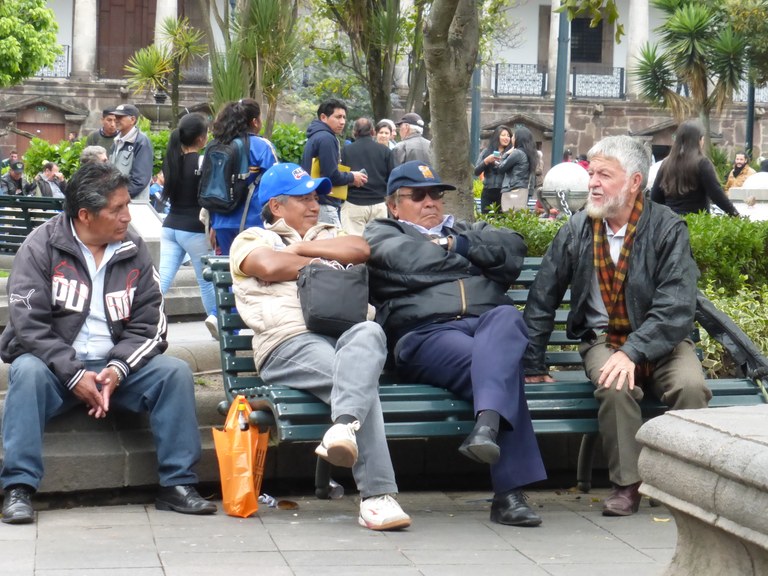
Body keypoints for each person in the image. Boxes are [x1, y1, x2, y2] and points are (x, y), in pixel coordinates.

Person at [0, 162, 217, 525]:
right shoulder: (40, 246)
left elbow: (151, 323)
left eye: (127, 205)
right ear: (85, 215)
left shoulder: (132, 246)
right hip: (54, 369)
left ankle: (178, 484)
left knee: (174, 373)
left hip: (115, 369)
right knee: (27, 371)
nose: (126, 216)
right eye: (116, 209)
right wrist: (73, 375)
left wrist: (118, 369)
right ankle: (18, 487)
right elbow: (28, 325)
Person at [523, 135, 711, 517]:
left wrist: (634, 351)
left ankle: (684, 484)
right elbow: (543, 295)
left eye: (604, 175)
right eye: (592, 173)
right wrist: (532, 363)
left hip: (663, 340)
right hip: (603, 339)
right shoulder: (576, 229)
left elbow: (676, 306)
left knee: (692, 387)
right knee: (614, 385)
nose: (592, 183)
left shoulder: (668, 228)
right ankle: (627, 485)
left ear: (634, 182)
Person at [229, 162, 410, 531]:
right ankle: (377, 496)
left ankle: (342, 427)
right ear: (276, 206)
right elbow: (268, 265)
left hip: (345, 335)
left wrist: (302, 248)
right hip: (288, 343)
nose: (315, 205)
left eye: (315, 198)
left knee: (370, 333)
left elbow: (359, 248)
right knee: (357, 382)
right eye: (303, 199)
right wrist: (323, 260)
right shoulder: (252, 238)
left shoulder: (332, 232)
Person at [364, 161, 546, 527]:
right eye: (418, 195)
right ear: (394, 205)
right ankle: (509, 494)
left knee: (507, 317)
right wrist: (474, 261)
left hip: (489, 325)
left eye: (436, 194)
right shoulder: (382, 231)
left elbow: (512, 248)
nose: (430, 201)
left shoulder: (463, 230)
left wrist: (456, 244)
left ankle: (486, 427)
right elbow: (404, 261)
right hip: (427, 333)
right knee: (502, 367)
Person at [158, 113, 218, 339]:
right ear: (201, 138)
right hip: (194, 229)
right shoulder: (202, 163)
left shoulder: (171, 162)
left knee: (162, 280)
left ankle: (140, 317)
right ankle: (217, 324)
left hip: (170, 226)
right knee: (206, 282)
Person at [207, 98, 278, 255]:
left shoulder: (218, 145)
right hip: (253, 223)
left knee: (230, 267)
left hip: (221, 222)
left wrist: (213, 223)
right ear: (255, 122)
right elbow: (275, 183)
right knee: (254, 268)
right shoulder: (262, 146)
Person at [301, 98, 367, 228]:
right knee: (336, 240)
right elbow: (331, 175)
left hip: (314, 200)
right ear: (323, 117)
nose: (342, 122)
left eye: (344, 117)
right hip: (325, 203)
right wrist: (352, 177)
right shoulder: (327, 138)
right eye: (338, 117)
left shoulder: (316, 135)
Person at [650, 120, 739, 217]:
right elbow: (716, 194)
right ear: (699, 140)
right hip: (696, 221)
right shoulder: (702, 163)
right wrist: (734, 214)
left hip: (671, 220)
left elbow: (655, 197)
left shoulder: (666, 163)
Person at [340, 117, 394, 235]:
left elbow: (342, 176)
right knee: (379, 243)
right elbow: (392, 177)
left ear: (354, 132)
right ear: (373, 132)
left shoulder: (346, 150)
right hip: (379, 203)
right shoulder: (385, 151)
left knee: (353, 243)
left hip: (354, 203)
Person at [109, 104, 154, 202]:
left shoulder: (141, 142)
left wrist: (118, 197)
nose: (116, 120)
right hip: (116, 202)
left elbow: (140, 180)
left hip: (134, 203)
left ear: (132, 120)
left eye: (120, 117)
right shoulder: (116, 142)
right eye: (116, 116)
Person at [498, 126, 538, 212]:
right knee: (518, 215)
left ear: (518, 139)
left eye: (513, 136)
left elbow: (501, 167)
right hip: (523, 189)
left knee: (510, 214)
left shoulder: (517, 153)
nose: (511, 138)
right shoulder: (530, 154)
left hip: (512, 188)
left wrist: (506, 153)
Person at [474, 125, 512, 213]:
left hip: (503, 192)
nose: (506, 138)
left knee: (501, 218)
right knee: (486, 218)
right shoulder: (486, 152)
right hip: (488, 190)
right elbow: (476, 171)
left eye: (508, 136)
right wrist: (487, 161)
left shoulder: (511, 154)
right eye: (503, 135)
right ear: (497, 137)